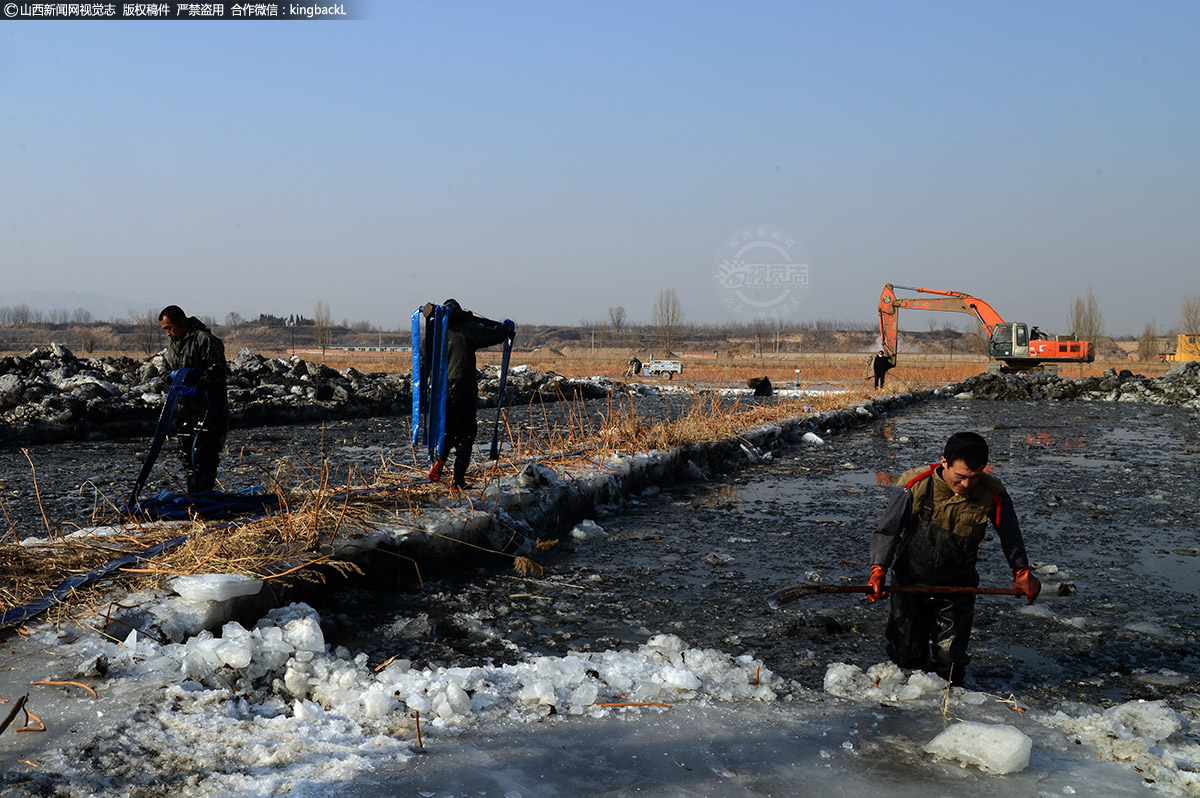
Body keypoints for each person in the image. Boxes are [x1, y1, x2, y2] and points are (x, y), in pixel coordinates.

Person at [866, 431, 1040, 685]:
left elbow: (1010, 535)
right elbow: (888, 530)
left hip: (957, 586)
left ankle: (948, 711)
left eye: (974, 477)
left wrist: (1021, 572)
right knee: (906, 656)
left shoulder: (992, 493)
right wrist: (878, 569)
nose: (967, 484)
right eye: (960, 477)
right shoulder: (917, 484)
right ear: (944, 462)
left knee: (949, 661)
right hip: (910, 582)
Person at [423, 299, 514, 489]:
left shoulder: (433, 334)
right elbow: (493, 335)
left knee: (446, 431)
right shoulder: (467, 328)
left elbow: (422, 355)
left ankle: (439, 461)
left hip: (440, 392)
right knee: (466, 434)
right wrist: (506, 327)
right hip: (463, 388)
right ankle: (458, 481)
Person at [159, 305, 229, 494]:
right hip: (184, 412)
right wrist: (172, 377)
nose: (168, 333)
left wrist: (197, 387)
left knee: (203, 458)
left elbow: (218, 369)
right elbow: (164, 371)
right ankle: (195, 499)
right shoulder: (174, 345)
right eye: (165, 329)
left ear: (181, 322)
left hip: (208, 412)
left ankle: (203, 501)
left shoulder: (204, 340)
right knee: (187, 458)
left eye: (169, 328)